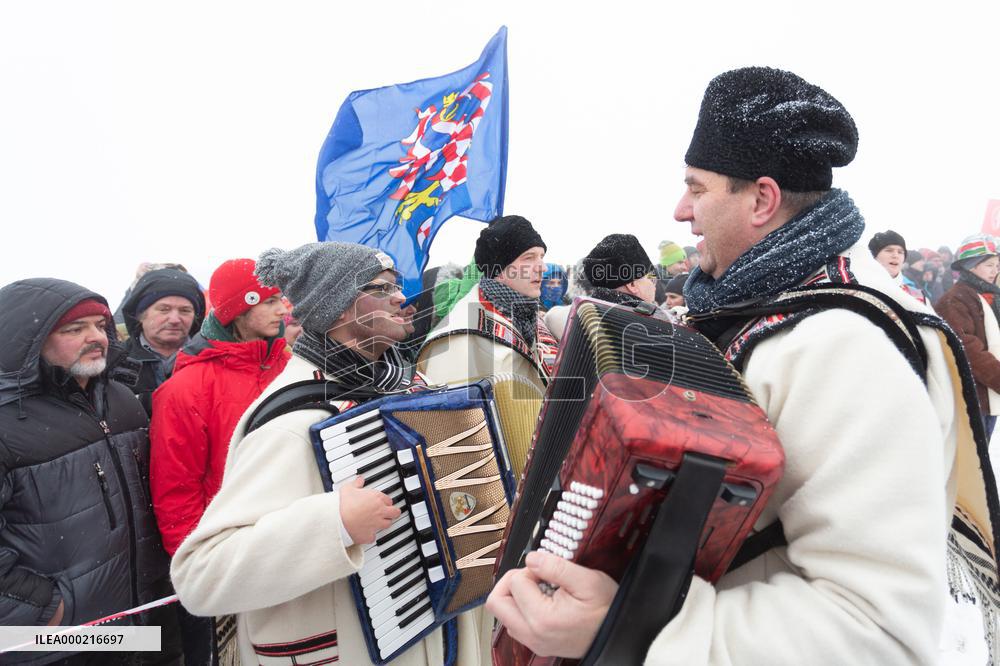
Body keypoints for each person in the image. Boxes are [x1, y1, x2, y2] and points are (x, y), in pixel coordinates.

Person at [488, 66, 981, 665]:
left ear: (762, 200)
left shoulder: (846, 345)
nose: (679, 209)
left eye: (697, 188)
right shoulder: (750, 308)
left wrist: (629, 628)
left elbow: (877, 632)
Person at [170, 242, 491, 665]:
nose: (401, 299)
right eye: (381, 288)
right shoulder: (292, 423)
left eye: (397, 286)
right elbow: (200, 575)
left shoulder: (408, 389)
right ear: (337, 308)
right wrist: (333, 524)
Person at [0, 278, 181, 664]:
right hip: (57, 638)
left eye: (99, 325)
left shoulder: (120, 397)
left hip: (140, 615)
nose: (96, 336)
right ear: (30, 341)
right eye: (74, 329)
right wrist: (46, 608)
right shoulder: (6, 423)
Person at [149, 258, 290, 664]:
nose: (282, 310)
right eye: (269, 301)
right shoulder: (186, 389)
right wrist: (201, 570)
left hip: (293, 541)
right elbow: (176, 491)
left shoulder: (291, 367)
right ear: (237, 310)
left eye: (281, 298)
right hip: (234, 557)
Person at [417, 215, 558, 392]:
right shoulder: (460, 336)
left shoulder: (528, 317)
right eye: (529, 258)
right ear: (499, 269)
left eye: (541, 257)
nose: (542, 267)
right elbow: (450, 413)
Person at [935, 235, 1000, 439]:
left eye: (997, 265)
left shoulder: (987, 296)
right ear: (971, 267)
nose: (995, 270)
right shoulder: (956, 299)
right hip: (970, 397)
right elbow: (968, 349)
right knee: (970, 465)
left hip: (985, 396)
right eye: (990, 265)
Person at [116, 268, 205, 415]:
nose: (175, 319)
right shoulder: (113, 363)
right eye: (164, 309)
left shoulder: (212, 359)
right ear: (140, 315)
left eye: (185, 310)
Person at [545, 233, 657, 341]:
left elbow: (553, 316)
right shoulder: (649, 329)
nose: (654, 287)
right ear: (632, 285)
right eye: (652, 279)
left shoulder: (566, 317)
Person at [868, 229, 928, 303]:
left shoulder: (917, 296)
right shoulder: (859, 288)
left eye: (900, 252)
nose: (896, 255)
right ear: (874, 256)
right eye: (889, 250)